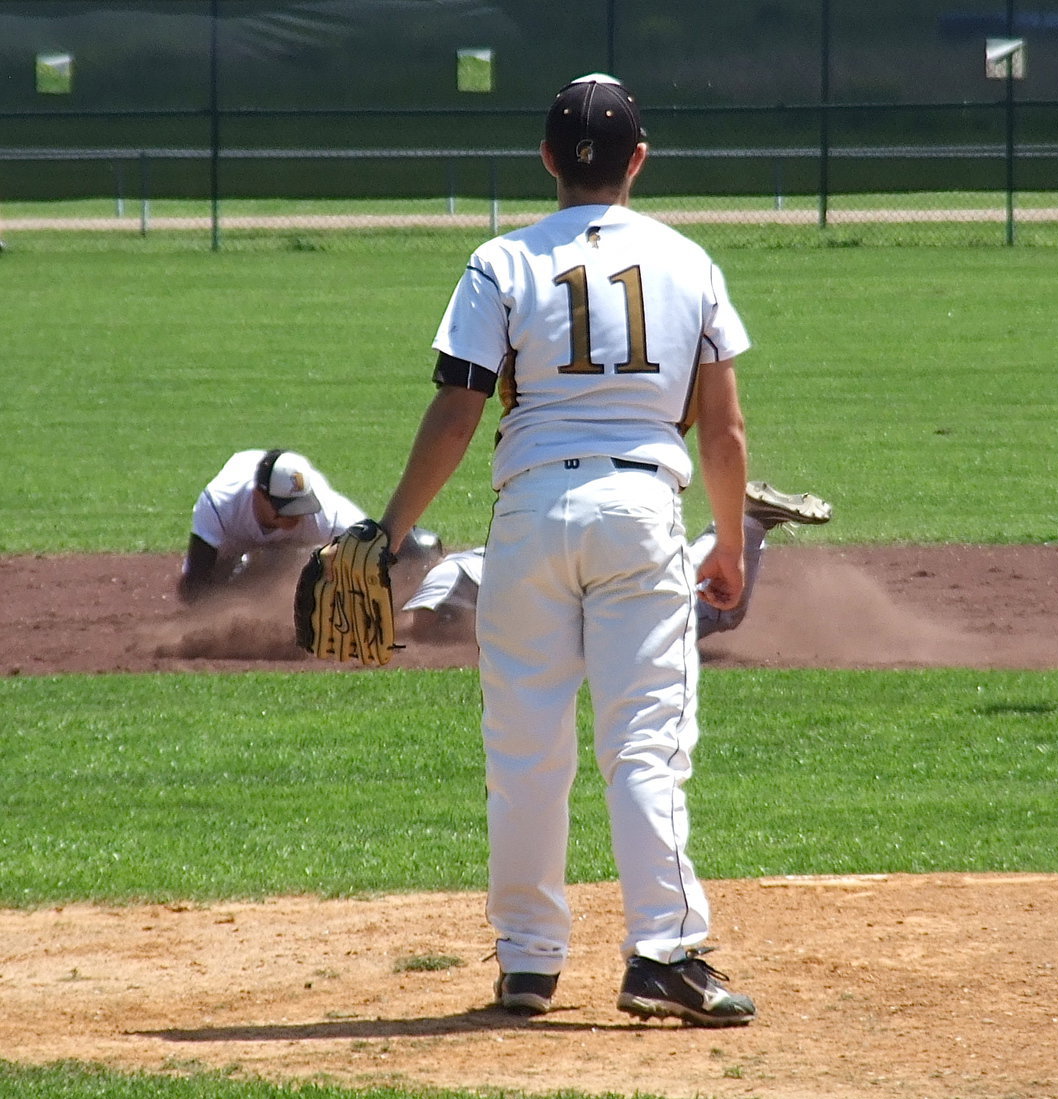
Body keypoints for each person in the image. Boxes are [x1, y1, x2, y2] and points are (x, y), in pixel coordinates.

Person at [375, 73, 757, 1025]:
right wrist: (733, 543)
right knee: (646, 747)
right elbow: (724, 430)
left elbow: (459, 411)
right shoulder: (690, 263)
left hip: (529, 513)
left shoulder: (498, 262)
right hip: (639, 508)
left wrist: (388, 533)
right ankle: (663, 954)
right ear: (639, 160)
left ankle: (529, 963)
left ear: (546, 158)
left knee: (524, 750)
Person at [400, 481, 830, 645]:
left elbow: (419, 625)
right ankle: (747, 525)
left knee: (674, 614)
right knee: (701, 613)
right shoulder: (463, 565)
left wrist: (382, 633)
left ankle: (744, 522)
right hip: (573, 573)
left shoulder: (445, 572)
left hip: (572, 596)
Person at [177, 448, 366, 602]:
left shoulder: (325, 511)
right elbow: (195, 585)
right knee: (200, 592)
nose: (296, 516)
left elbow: (375, 544)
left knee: (290, 570)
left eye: (301, 506)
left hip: (291, 548)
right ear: (259, 495)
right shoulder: (219, 505)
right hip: (234, 537)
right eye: (286, 507)